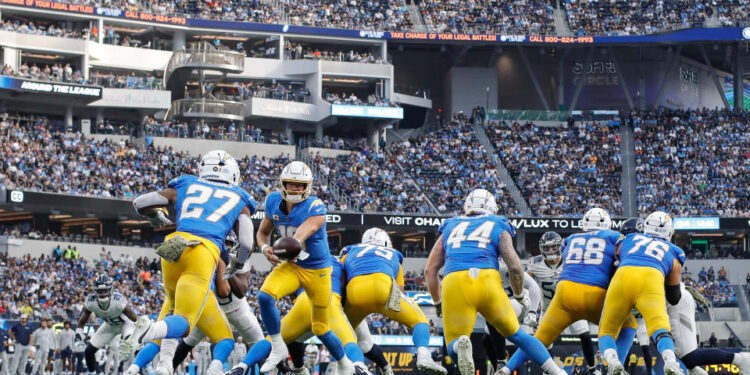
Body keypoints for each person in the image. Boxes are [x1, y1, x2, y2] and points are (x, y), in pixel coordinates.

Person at [123, 150, 256, 375]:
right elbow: (245, 242)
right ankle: (149, 330)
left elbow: (140, 202)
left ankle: (164, 365)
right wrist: (238, 263)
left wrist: (155, 215)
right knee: (185, 323)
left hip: (173, 244)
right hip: (203, 250)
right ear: (233, 174)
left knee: (174, 307)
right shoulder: (240, 197)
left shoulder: (186, 182)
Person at [424, 189, 566, 375]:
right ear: (492, 207)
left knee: (453, 342)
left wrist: (437, 302)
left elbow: (429, 270)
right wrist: (519, 295)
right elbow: (514, 266)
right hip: (487, 280)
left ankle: (461, 346)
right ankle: (557, 372)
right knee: (518, 335)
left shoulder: (451, 225)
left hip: (454, 280)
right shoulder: (498, 222)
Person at [499, 209, 637, 375]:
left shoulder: (571, 239)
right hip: (595, 294)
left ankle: (506, 369)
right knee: (629, 325)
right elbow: (625, 258)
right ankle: (615, 367)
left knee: (539, 339)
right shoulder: (614, 236)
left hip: (564, 294)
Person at [254, 161, 353, 375]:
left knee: (321, 328)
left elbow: (299, 237)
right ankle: (279, 347)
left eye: (300, 185)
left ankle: (345, 363)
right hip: (293, 266)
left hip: (318, 271)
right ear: (283, 184)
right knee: (264, 296)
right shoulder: (272, 201)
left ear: (307, 186)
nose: (295, 188)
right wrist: (264, 248)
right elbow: (262, 233)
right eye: (291, 184)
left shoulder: (315, 206)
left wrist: (287, 245)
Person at [341, 228, 446, 375]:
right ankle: (423, 355)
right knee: (420, 321)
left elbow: (340, 280)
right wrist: (391, 311)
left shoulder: (349, 251)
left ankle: (357, 367)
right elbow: (399, 289)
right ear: (385, 242)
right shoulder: (394, 254)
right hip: (384, 288)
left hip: (354, 293)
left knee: (346, 337)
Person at [598, 211, 685, 375]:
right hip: (651, 280)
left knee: (607, 331)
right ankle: (671, 362)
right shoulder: (675, 251)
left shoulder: (627, 240)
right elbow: (674, 298)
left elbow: (612, 262)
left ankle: (612, 361)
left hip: (623, 277)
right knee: (660, 327)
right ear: (669, 231)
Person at [525, 231, 599, 375]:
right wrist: (531, 308)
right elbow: (526, 285)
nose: (551, 250)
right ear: (541, 249)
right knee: (546, 343)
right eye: (547, 248)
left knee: (584, 334)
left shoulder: (569, 259)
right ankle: (549, 371)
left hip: (571, 305)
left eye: (553, 247)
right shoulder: (535, 264)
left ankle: (593, 369)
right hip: (549, 308)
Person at [667, 283, 750, 375]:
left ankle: (741, 359)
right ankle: (694, 370)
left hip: (673, 299)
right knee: (682, 352)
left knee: (689, 356)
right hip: (669, 296)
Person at [77, 275, 138, 374]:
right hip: (110, 326)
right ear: (95, 291)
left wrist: (136, 330)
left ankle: (145, 366)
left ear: (111, 290)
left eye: (105, 290)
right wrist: (77, 337)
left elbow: (134, 318)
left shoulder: (118, 300)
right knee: (89, 351)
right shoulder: (91, 302)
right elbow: (81, 322)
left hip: (125, 324)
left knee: (130, 344)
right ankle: (92, 373)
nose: (102, 293)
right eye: (100, 291)